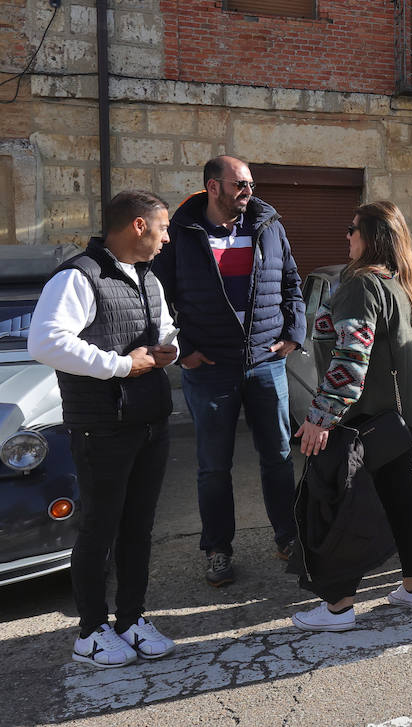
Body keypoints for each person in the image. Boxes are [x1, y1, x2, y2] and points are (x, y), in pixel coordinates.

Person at [29, 190, 179, 666]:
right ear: (138, 226)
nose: (167, 236)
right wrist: (118, 366)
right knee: (100, 529)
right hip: (102, 427)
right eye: (163, 227)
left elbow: (164, 328)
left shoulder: (148, 279)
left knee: (138, 527)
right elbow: (46, 342)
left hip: (149, 421)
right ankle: (91, 631)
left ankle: (131, 619)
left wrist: (169, 347)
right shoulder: (77, 277)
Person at [153, 155, 304, 587]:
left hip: (264, 363)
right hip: (210, 367)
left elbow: (292, 282)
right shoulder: (182, 232)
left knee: (277, 456)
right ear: (212, 186)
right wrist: (183, 351)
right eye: (240, 184)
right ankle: (217, 548)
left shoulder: (269, 225)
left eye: (251, 184)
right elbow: (158, 298)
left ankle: (288, 536)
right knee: (213, 466)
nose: (248, 191)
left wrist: (293, 333)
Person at [291, 201, 412, 631]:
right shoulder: (404, 284)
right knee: (399, 496)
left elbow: (352, 357)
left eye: (352, 229)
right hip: (400, 418)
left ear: (371, 238)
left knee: (343, 507)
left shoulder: (360, 285)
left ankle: (338, 607)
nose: (346, 236)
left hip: (365, 418)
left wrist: (320, 417)